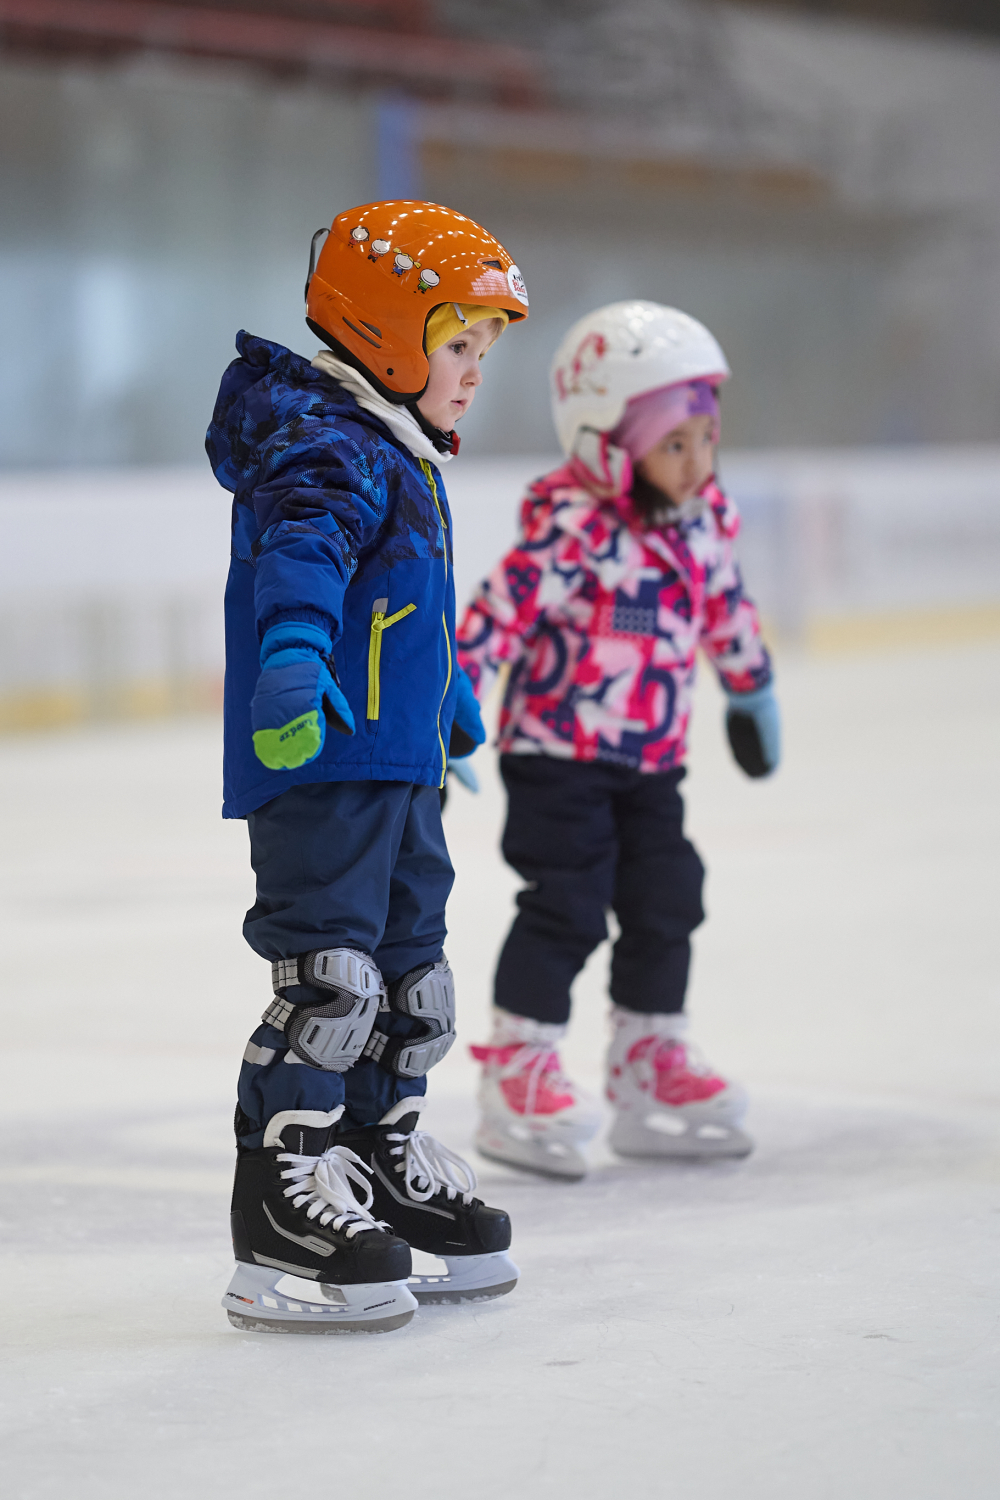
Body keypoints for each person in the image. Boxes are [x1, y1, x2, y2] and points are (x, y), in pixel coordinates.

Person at [205, 200, 529, 1332]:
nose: (474, 371)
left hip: (397, 765)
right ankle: (281, 1187)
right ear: (384, 331)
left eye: (484, 350)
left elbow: (406, 605)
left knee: (411, 982)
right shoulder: (325, 441)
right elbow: (305, 554)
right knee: (332, 982)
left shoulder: (394, 442)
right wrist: (293, 659)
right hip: (324, 760)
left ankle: (376, 1154)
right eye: (458, 344)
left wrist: (447, 703)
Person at [457, 300, 779, 1181]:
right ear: (606, 442)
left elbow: (726, 608)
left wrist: (750, 687)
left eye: (706, 439)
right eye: (675, 443)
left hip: (652, 761)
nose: (698, 461)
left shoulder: (703, 519)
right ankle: (518, 1064)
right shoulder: (575, 528)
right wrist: (452, 709)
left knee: (668, 894)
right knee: (567, 903)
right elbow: (494, 617)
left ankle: (648, 1055)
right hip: (557, 758)